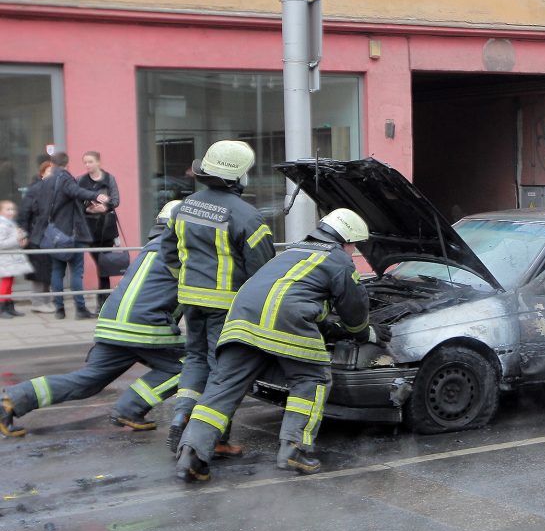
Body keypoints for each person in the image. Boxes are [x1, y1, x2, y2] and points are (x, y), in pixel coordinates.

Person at [175, 208, 389, 482]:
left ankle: (191, 453)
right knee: (312, 378)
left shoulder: (292, 251)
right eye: (354, 245)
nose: (353, 251)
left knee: (222, 387)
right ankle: (294, 448)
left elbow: (290, 292)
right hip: (284, 321)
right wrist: (365, 334)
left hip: (242, 321)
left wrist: (325, 326)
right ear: (346, 240)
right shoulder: (338, 261)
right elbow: (354, 310)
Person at [0, 202, 185, 438]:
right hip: (144, 326)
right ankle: (130, 408)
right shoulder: (182, 250)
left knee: (87, 381)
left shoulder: (152, 247)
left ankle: (11, 401)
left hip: (112, 323)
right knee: (190, 364)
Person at [160, 140, 275, 455]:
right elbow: (262, 274)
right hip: (226, 307)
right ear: (238, 177)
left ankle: (183, 412)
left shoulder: (184, 206)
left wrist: (184, 287)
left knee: (195, 361)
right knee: (222, 372)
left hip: (190, 301)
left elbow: (169, 254)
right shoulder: (248, 217)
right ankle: (215, 439)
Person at [31, 152, 110, 320]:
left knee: (57, 272)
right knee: (76, 272)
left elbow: (37, 206)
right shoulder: (65, 179)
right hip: (71, 234)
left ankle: (60, 310)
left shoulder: (45, 182)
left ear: (52, 163)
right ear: (66, 163)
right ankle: (80, 310)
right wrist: (96, 195)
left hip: (53, 235)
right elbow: (76, 192)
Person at [78, 150, 121, 312]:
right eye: (85, 162)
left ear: (98, 162)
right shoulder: (81, 180)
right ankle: (102, 302)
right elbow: (77, 199)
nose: (87, 165)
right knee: (100, 264)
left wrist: (105, 206)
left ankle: (102, 303)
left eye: (90, 162)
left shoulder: (109, 179)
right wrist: (89, 209)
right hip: (89, 228)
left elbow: (116, 200)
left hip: (106, 228)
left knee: (104, 266)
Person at [17, 161, 56, 313]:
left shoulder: (56, 189)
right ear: (42, 173)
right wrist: (23, 232)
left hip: (51, 236)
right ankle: (38, 302)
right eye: (49, 171)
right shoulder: (35, 190)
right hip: (36, 236)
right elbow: (24, 212)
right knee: (39, 271)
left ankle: (46, 301)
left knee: (49, 270)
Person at [0, 200, 33, 318]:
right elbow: (1, 243)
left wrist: (22, 238)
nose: (11, 212)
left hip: (11, 259)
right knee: (6, 283)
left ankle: (9, 306)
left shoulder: (10, 223)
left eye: (12, 209)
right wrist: (17, 238)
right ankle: (2, 307)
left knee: (9, 283)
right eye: (7, 209)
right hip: (5, 259)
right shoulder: (2, 225)